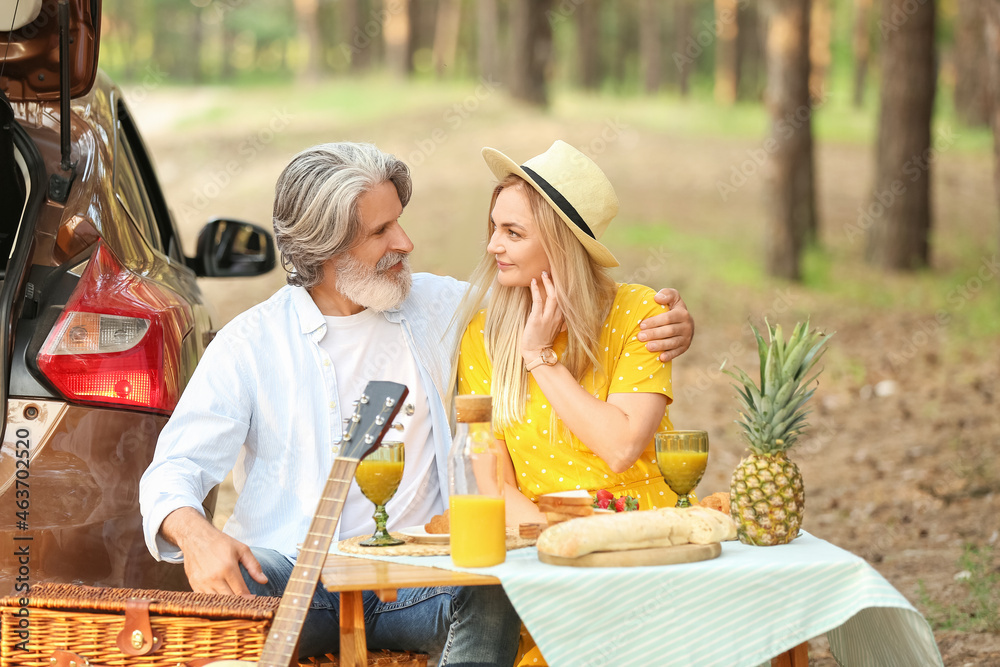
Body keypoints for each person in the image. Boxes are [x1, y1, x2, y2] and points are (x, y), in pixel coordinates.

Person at [139, 142, 694, 665]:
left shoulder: (445, 308)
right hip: (298, 574)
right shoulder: (251, 343)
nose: (405, 241)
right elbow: (175, 469)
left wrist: (665, 323)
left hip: (421, 573)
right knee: (226, 616)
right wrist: (196, 536)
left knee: (493, 592)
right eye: (382, 230)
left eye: (399, 219)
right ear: (326, 247)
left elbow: (561, 296)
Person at [456, 140, 682, 531]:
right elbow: (495, 483)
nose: (493, 245)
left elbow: (621, 447)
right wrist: (558, 548)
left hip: (650, 533)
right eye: (494, 228)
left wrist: (538, 356)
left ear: (562, 245)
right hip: (547, 542)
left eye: (513, 233)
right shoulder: (481, 337)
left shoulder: (639, 314)